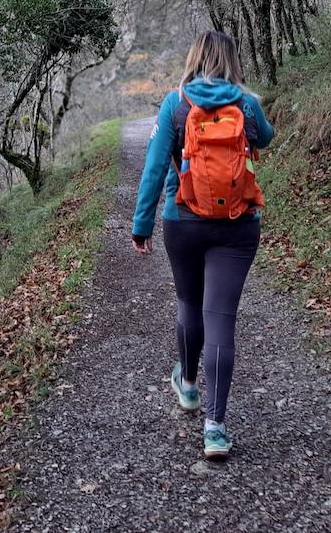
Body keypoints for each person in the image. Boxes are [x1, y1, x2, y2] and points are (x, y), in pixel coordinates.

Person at [130, 29, 274, 460]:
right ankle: (215, 428)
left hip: (183, 221)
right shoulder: (246, 102)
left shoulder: (175, 102)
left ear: (193, 57)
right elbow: (265, 138)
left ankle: (188, 386)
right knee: (221, 319)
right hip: (238, 224)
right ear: (232, 60)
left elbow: (154, 167)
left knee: (189, 304)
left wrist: (141, 224)